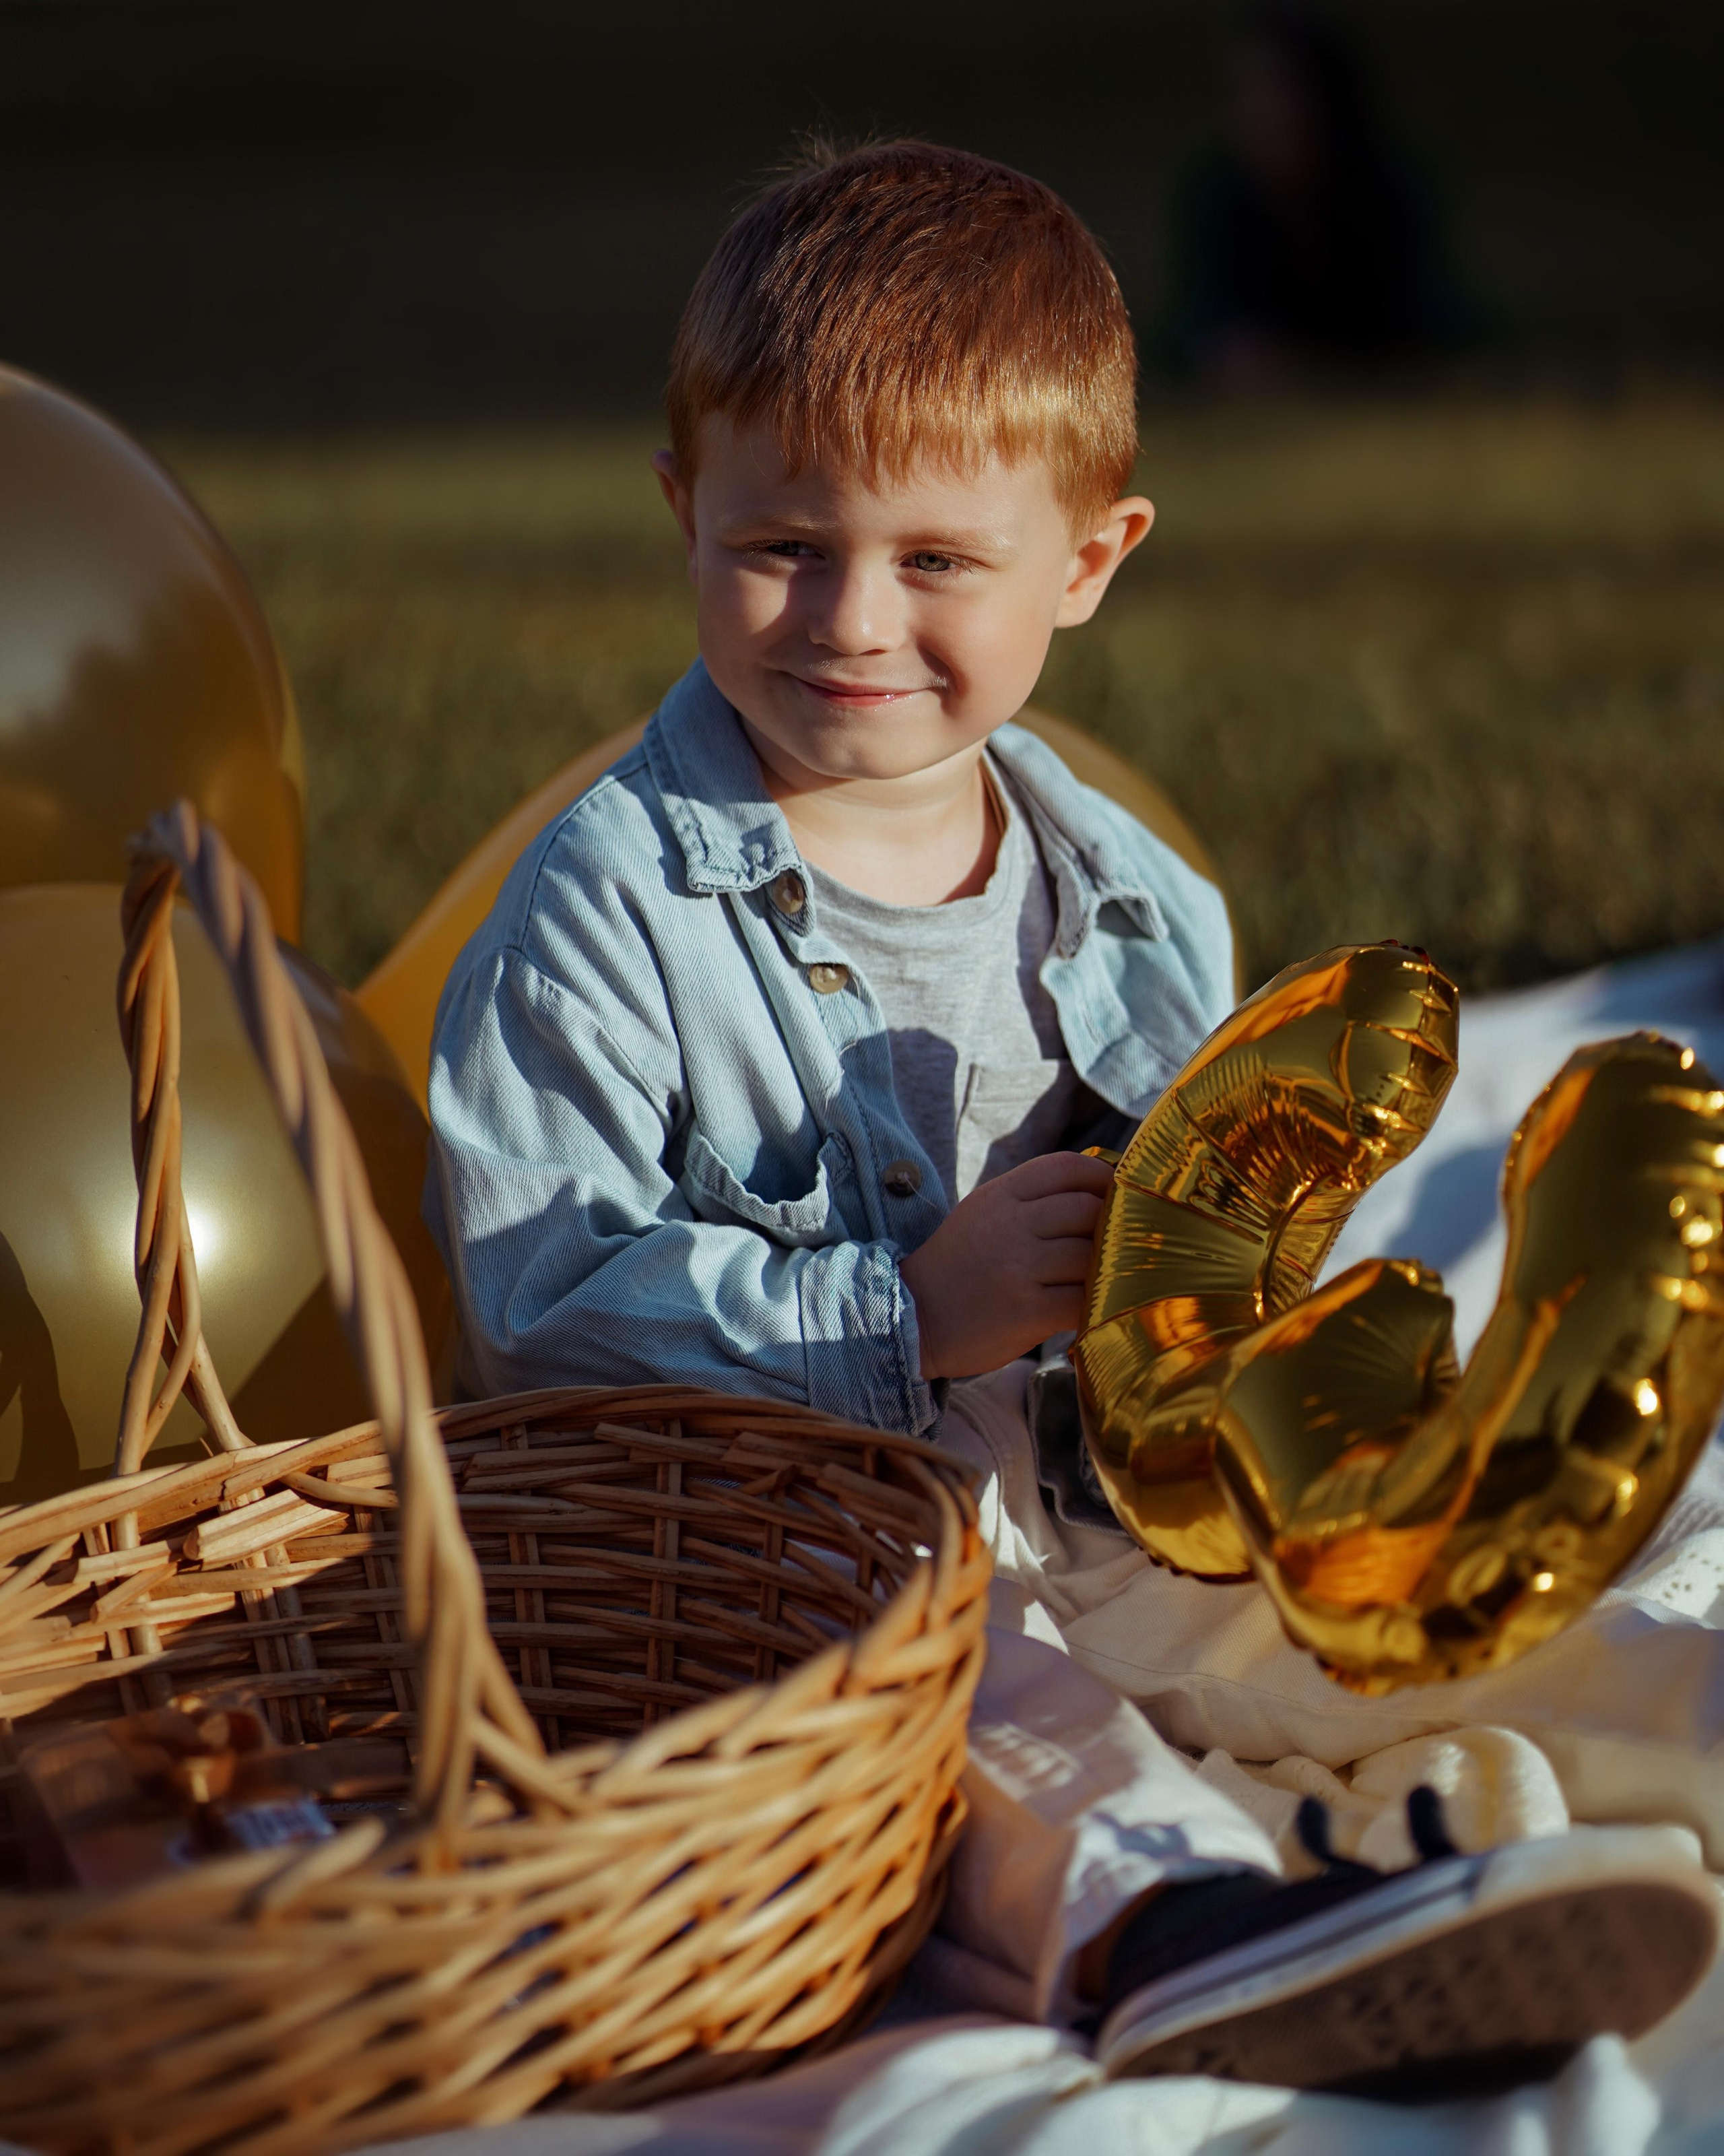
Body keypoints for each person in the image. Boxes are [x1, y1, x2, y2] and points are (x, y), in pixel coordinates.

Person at [424, 140, 1714, 2089]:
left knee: (1386, 1623)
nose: (853, 619)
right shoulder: (605, 911)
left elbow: (1218, 1220)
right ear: (684, 511)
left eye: (939, 560)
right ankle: (1180, 1925)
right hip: (825, 1537)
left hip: (1109, 1492)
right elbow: (538, 1294)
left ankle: (1647, 1742)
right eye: (784, 543)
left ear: (1090, 563)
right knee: (992, 1695)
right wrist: (903, 1315)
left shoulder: (1128, 892)